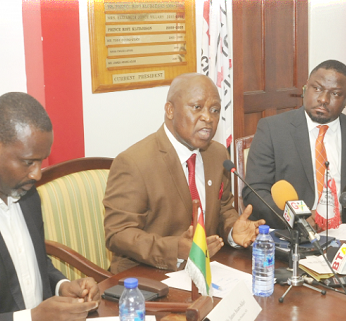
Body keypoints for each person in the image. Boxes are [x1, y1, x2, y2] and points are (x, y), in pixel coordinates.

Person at [103, 73, 265, 273]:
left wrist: (233, 230)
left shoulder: (217, 154)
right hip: (147, 275)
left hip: (207, 270)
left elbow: (223, 208)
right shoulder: (134, 162)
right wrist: (175, 250)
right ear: (170, 110)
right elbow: (118, 234)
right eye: (197, 108)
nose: (208, 118)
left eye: (214, 110)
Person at [0, 92, 100, 321]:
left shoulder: (27, 195)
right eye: (28, 162)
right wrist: (31, 318)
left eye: (41, 161)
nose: (36, 173)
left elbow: (32, 262)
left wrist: (61, 286)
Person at [242, 59, 346, 229]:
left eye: (334, 94)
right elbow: (254, 192)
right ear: (305, 88)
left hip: (343, 233)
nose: (323, 99)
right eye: (317, 89)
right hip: (290, 234)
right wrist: (296, 219)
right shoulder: (273, 129)